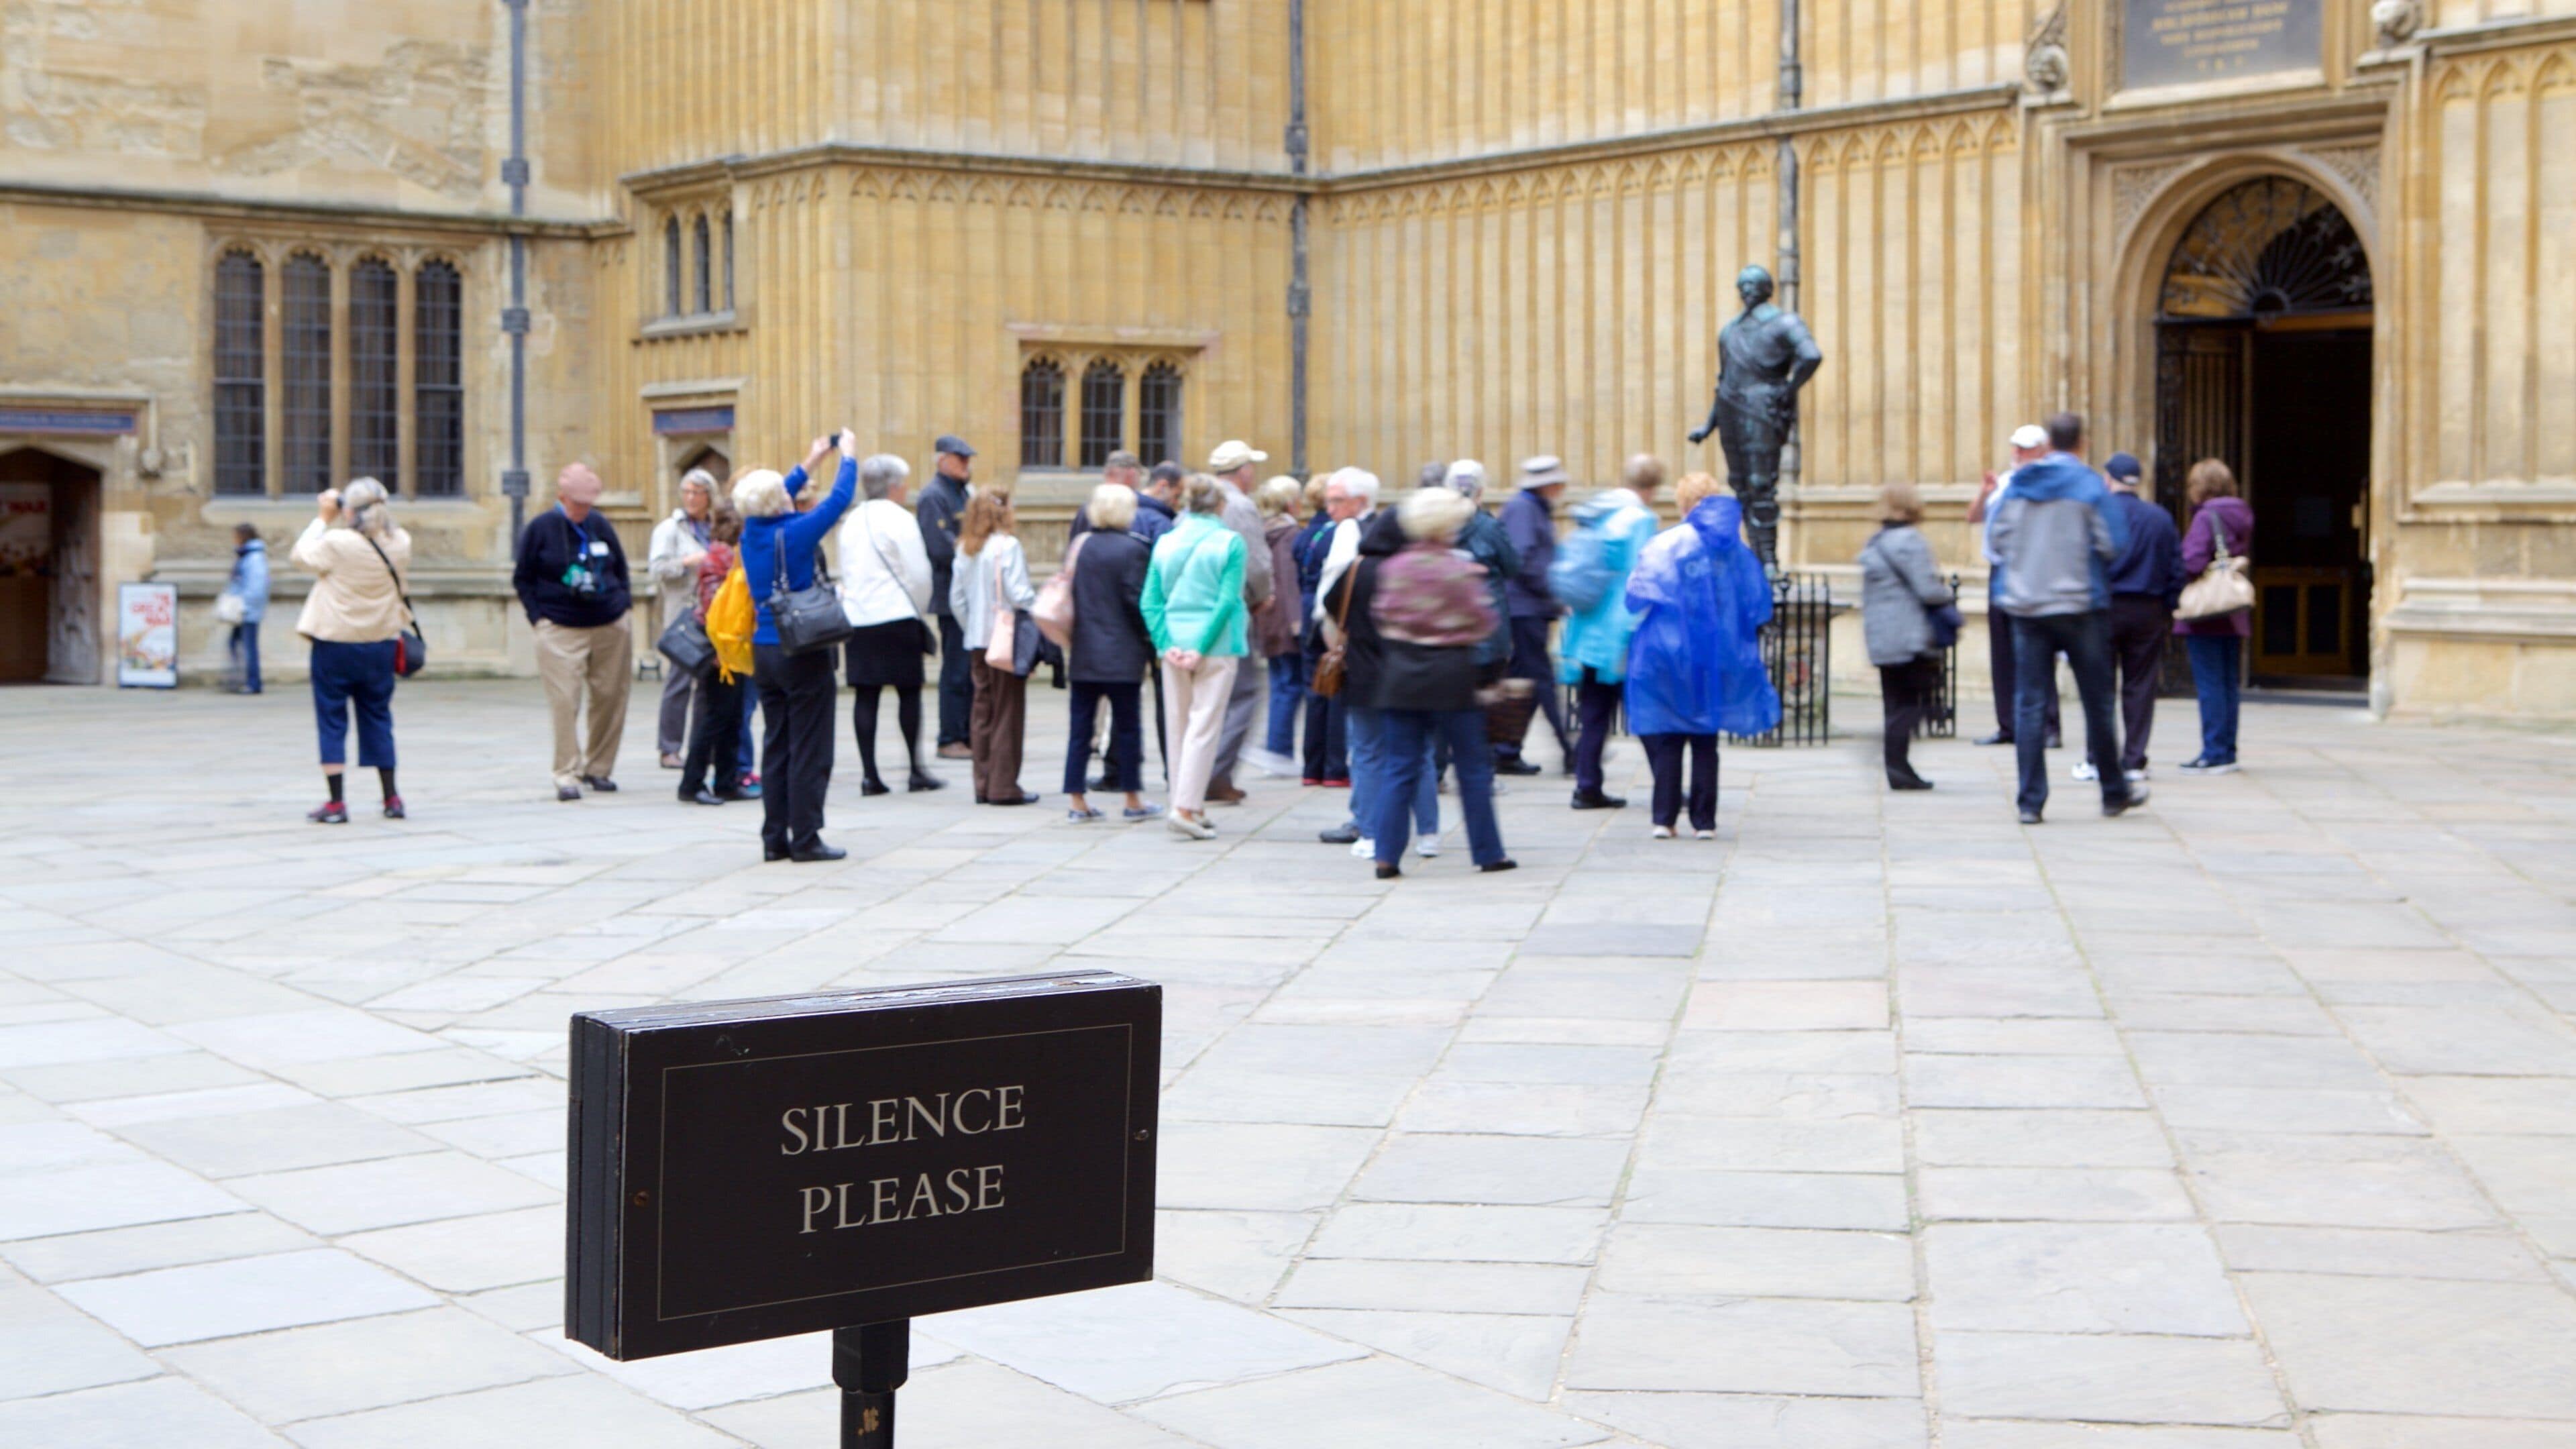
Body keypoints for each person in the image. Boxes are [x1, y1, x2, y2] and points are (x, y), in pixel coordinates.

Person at [1985, 412, 2149, 824]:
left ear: (2049, 442)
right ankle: (2113, 792)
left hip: (2028, 606)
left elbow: (1995, 540)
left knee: (2029, 704)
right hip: (2080, 604)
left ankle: (2030, 803)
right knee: (2097, 702)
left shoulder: (2017, 484)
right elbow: (2115, 542)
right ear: (2082, 443)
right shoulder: (2090, 485)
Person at [1366, 486, 1515, 877]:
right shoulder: (1459, 569)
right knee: (1472, 768)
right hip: (1452, 676)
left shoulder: (1393, 569)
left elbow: (1382, 617)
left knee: (1400, 766)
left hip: (1401, 676)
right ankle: (1487, 852)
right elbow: (1485, 621)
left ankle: (1386, 855)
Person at [1623, 473, 1778, 838]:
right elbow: (1756, 603)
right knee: (1706, 738)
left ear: (1683, 504)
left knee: (1669, 736)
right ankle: (1704, 821)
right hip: (1716, 652)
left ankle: (1664, 818)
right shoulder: (1735, 551)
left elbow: (1636, 595)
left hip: (1669, 648)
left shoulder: (1669, 543)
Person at [739, 432, 859, 861]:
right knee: (810, 747)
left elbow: (773, 496)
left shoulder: (751, 531)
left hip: (765, 651)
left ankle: (775, 838)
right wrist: (847, 456)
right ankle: (806, 837)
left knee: (777, 744)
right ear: (782, 503)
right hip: (803, 651)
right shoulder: (797, 533)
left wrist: (812, 457)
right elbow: (839, 500)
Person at [513, 462, 633, 802]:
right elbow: (523, 577)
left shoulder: (599, 524)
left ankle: (599, 768)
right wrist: (539, 619)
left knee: (611, 697)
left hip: (609, 623)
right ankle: (567, 773)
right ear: (561, 497)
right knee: (565, 701)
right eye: (577, 503)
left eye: (588, 503)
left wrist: (623, 606)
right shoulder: (541, 528)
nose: (583, 509)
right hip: (560, 626)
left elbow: (620, 567)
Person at [291, 479, 409, 824]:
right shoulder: (400, 542)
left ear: (350, 510)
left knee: (332, 720)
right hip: (381, 643)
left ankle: (336, 802)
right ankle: (391, 797)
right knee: (378, 718)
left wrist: (323, 517)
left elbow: (300, 555)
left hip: (336, 644)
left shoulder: (337, 542)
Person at [1143, 473, 1250, 840]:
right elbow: (1226, 601)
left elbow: (1150, 601)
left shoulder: (1166, 541)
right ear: (1220, 505)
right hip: (1215, 645)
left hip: (1173, 644)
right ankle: (1186, 808)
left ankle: (1186, 802)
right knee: (1204, 727)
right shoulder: (1230, 543)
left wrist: (1166, 641)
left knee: (1177, 725)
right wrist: (1201, 647)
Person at [1558, 454, 1664, 810]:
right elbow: (1641, 578)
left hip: (1588, 628)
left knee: (1594, 714)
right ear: (1653, 488)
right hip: (1618, 633)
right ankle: (1667, 787)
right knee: (1647, 712)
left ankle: (1587, 786)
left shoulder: (1600, 512)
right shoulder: (1639, 520)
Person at [838, 453, 944, 797]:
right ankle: (915, 769)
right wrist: (919, 607)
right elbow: (918, 572)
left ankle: (870, 775)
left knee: (865, 696)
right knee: (908, 693)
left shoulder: (851, 521)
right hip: (896, 614)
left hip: (859, 617)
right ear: (895, 486)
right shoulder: (900, 519)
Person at [1063, 482, 1160, 824]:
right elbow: (1137, 601)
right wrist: (1151, 640)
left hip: (1085, 650)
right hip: (1122, 652)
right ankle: (1132, 799)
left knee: (1080, 728)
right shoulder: (1134, 550)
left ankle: (1077, 800)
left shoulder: (1081, 546)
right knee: (1129, 727)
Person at [2088, 450, 2182, 783]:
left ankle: (2097, 758)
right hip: (2148, 609)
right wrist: (2167, 608)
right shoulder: (2159, 518)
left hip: (2105, 608)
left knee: (2100, 686)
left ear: (2109, 479)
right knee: (2140, 686)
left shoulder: (2100, 513)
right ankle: (2133, 759)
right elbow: (2176, 568)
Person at [1858, 480, 1955, 791]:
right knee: (1914, 703)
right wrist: (1946, 599)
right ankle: (1896, 763)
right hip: (1909, 634)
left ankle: (1898, 766)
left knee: (1895, 703)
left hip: (1882, 635)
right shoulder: (1910, 541)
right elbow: (1927, 589)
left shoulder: (1875, 543)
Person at [1970, 425, 2061, 749]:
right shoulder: (2005, 483)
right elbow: (1974, 518)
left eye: (2024, 448)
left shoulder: (2051, 482)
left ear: (2042, 450)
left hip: (2034, 570)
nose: (2017, 454)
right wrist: (1984, 492)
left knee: (2039, 649)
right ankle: (2008, 724)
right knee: (2003, 650)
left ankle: (2049, 726)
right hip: (2002, 570)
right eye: (2015, 448)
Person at [1201, 439, 1277, 804]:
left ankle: (1196, 772)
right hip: (1231, 609)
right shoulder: (1241, 506)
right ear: (1243, 471)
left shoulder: (1195, 504)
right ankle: (1216, 774)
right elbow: (1256, 563)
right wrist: (1263, 597)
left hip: (1194, 610)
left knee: (1204, 696)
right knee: (1243, 693)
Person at [950, 487, 1038, 806]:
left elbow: (956, 599)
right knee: (1007, 712)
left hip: (976, 640)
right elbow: (1019, 594)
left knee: (982, 712)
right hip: (1004, 640)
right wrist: (1040, 608)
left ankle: (983, 783)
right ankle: (1004, 785)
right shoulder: (1007, 546)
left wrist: (973, 627)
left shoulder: (965, 548)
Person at [2176, 458, 2255, 775]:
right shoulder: (2241, 514)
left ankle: (2214, 751)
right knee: (2227, 683)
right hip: (2231, 609)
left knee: (2209, 683)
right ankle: (2227, 749)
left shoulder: (2206, 517)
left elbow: (2192, 562)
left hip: (2207, 610)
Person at [1495, 456, 1572, 775]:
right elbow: (1523, 561)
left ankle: (1505, 750)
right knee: (1541, 680)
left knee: (1523, 681)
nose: (1562, 488)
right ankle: (1572, 750)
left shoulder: (1533, 508)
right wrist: (1552, 593)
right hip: (1525, 609)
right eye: (1558, 483)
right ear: (1546, 485)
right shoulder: (1524, 509)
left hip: (1530, 608)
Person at [1303, 468, 1374, 795]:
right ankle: (1333, 768)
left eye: (1337, 501)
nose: (1329, 508)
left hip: (1338, 624)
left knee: (1325, 693)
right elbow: (1333, 581)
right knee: (1334, 697)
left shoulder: (1349, 528)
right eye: (1329, 500)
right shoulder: (1349, 528)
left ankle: (1319, 768)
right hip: (1343, 628)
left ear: (1360, 502)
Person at [677, 505, 750, 806]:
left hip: (732, 648)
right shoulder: (721, 558)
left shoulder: (724, 555)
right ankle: (692, 784)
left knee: (730, 717)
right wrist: (720, 649)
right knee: (714, 718)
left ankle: (726, 781)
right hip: (721, 651)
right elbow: (713, 607)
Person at [647, 468, 715, 768]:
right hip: (683, 616)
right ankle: (669, 748)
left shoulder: (716, 527)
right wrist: (688, 562)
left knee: (711, 685)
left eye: (696, 492)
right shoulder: (670, 529)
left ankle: (705, 746)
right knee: (679, 680)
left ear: (709, 496)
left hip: (714, 614)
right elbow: (657, 568)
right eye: (686, 491)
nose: (690, 498)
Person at [918, 434, 976, 759]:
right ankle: (950, 737)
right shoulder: (934, 496)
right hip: (951, 595)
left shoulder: (961, 492)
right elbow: (940, 546)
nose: (966, 465)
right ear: (942, 460)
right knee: (956, 668)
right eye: (960, 459)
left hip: (967, 594)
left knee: (968, 668)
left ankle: (966, 733)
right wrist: (972, 549)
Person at [1256, 476, 1308, 757]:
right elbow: (1289, 580)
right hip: (1287, 618)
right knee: (1289, 686)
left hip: (1268, 617)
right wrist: (1298, 622)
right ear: (1290, 503)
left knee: (1280, 685)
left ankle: (1276, 747)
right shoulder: (1290, 535)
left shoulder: (1262, 531)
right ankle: (1278, 749)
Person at [221, 522, 269, 694]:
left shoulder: (254, 558)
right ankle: (239, 679)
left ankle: (253, 682)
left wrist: (243, 607)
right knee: (235, 643)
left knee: (249, 647)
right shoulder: (246, 555)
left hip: (247, 611)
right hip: (243, 611)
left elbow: (257, 588)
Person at [1066, 450, 1145, 545]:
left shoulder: (1088, 508)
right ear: (1132, 474)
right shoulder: (1140, 507)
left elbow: (1074, 545)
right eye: (1140, 475)